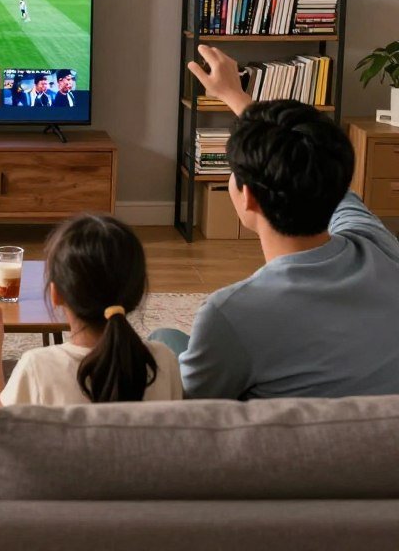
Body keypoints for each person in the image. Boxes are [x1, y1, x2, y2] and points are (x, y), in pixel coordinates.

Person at [151, 45, 399, 400]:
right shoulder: (378, 243)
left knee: (162, 341)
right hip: (375, 426)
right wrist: (235, 96)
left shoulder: (232, 314)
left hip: (281, 434)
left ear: (247, 196)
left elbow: (193, 409)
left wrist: (234, 95)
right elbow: (316, 166)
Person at [0, 215, 183, 431]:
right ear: (137, 293)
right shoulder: (163, 361)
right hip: (135, 466)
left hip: (44, 465)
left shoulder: (38, 367)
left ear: (55, 294)